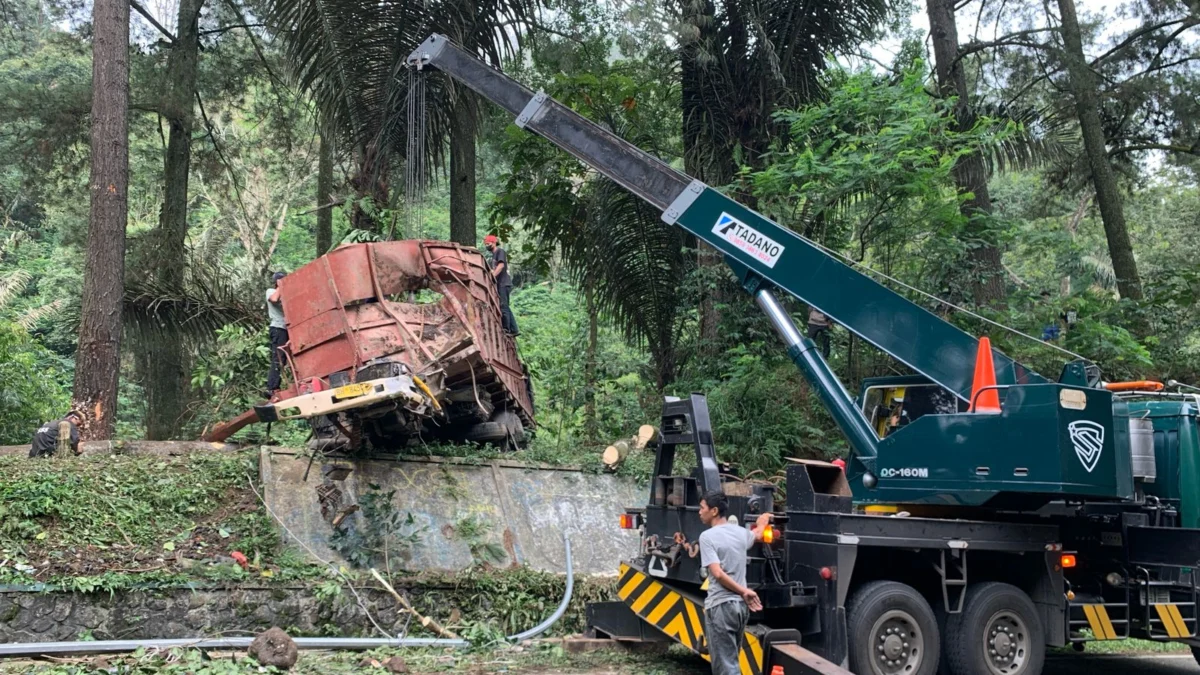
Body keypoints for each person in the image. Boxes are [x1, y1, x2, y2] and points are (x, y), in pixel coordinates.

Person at [698, 490, 771, 675]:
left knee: (726, 668)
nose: (699, 511)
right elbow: (758, 534)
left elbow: (717, 573)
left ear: (714, 511)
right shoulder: (740, 533)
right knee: (731, 660)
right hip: (740, 609)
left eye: (702, 507)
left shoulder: (707, 537)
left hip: (721, 607)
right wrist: (762, 522)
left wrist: (743, 591)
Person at [483, 234, 519, 336]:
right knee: (505, 306)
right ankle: (514, 329)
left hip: (504, 283)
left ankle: (506, 329)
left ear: (494, 243)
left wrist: (492, 276)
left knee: (503, 306)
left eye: (488, 244)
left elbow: (501, 265)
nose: (487, 246)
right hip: (500, 284)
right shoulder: (492, 256)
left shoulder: (500, 252)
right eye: (485, 244)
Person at [266, 271, 288, 398]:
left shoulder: (287, 294)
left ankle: (276, 385)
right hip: (278, 328)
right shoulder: (271, 291)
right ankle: (272, 387)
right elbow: (274, 299)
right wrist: (281, 285)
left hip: (286, 328)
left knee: (284, 358)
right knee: (278, 358)